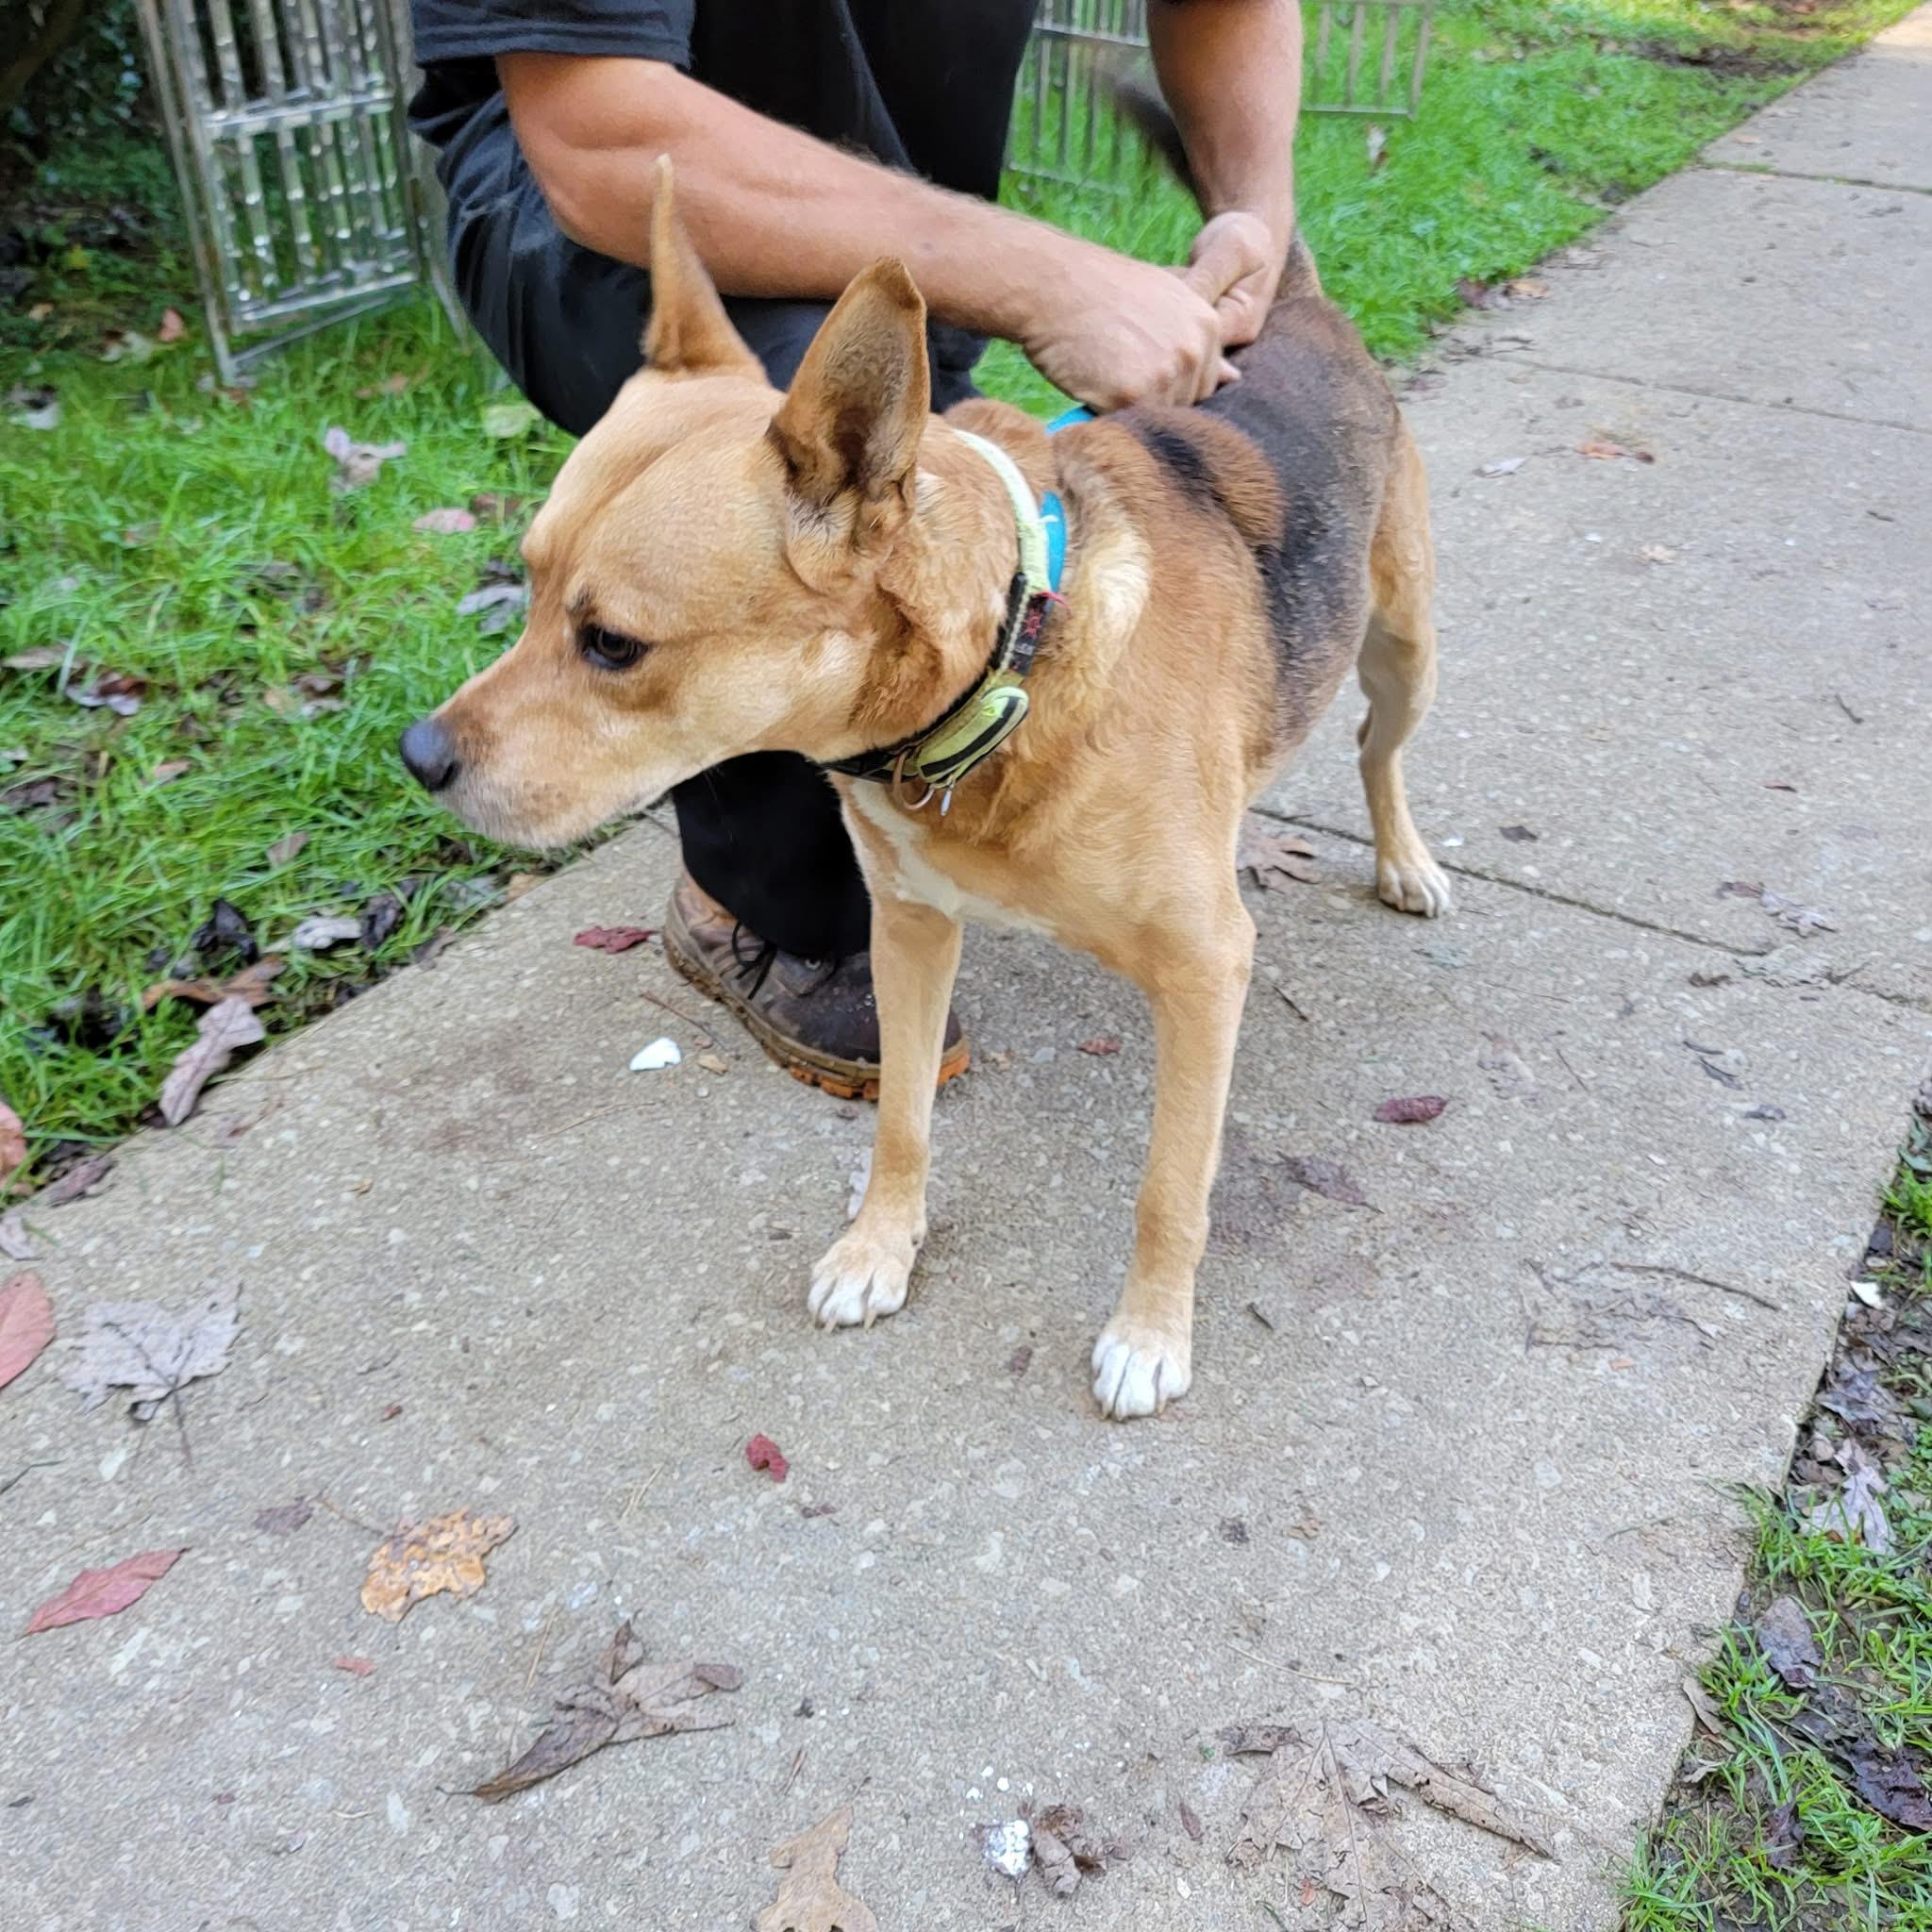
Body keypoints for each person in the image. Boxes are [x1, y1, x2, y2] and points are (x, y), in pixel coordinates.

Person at [406, 0, 1302, 1095]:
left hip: (910, 186)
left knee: (927, 536)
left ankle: (938, 807)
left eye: (608, 640)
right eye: (607, 641)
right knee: (794, 390)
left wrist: (1256, 222)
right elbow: (595, 130)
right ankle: (755, 899)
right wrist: (1046, 278)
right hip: (576, 197)